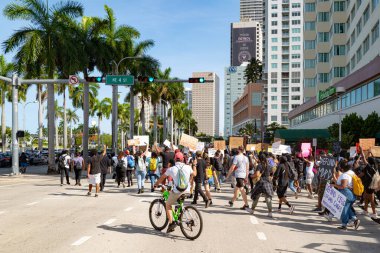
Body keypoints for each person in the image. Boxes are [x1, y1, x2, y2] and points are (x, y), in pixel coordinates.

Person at [154, 152, 196, 233]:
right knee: (178, 202)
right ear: (183, 159)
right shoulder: (187, 167)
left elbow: (162, 178)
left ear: (174, 159)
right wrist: (194, 165)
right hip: (187, 191)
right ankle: (178, 214)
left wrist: (156, 185)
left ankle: (171, 223)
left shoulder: (171, 169)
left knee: (168, 204)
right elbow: (194, 174)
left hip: (178, 191)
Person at [332, 159, 360, 230]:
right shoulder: (351, 172)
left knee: (343, 209)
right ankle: (355, 219)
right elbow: (341, 183)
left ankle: (344, 225)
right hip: (351, 194)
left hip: (346, 194)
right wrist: (334, 177)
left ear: (341, 168)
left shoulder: (344, 175)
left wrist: (334, 186)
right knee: (348, 208)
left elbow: (343, 186)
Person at [226, 146, 250, 211]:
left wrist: (228, 175)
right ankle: (232, 201)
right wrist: (247, 176)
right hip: (244, 174)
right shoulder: (246, 158)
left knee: (242, 190)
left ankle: (247, 205)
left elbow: (232, 167)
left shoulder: (236, 157)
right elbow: (247, 168)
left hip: (239, 175)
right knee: (237, 189)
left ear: (239, 150)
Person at [359, 148, 378, 218]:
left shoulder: (369, 167)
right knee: (366, 197)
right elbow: (374, 159)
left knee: (371, 199)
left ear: (369, 162)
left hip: (370, 185)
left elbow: (364, 158)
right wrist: (370, 153)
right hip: (371, 184)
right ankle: (365, 210)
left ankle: (374, 213)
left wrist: (361, 151)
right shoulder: (375, 166)